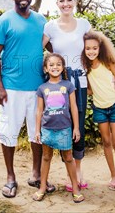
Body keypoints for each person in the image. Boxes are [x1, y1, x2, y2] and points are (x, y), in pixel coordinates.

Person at [0, 0, 56, 198]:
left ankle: (36, 175)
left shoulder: (40, 21)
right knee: (9, 131)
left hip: (38, 88)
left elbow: (51, 47)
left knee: (37, 132)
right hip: (12, 88)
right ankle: (10, 177)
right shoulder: (3, 21)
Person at [42, 0, 91, 191]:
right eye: (61, 0)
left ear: (75, 2)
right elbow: (39, 49)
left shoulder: (84, 24)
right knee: (62, 124)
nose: (65, 4)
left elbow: (94, 49)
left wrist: (107, 74)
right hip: (59, 84)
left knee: (79, 123)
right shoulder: (50, 27)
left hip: (80, 81)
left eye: (69, 0)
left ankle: (77, 172)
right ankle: (65, 173)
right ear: (57, 4)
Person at [81, 30, 115, 194]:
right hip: (99, 108)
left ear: (100, 48)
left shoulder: (108, 63)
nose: (91, 51)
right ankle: (113, 176)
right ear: (84, 49)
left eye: (94, 48)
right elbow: (90, 89)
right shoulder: (86, 67)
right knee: (106, 142)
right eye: (88, 48)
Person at [32, 53, 85, 203]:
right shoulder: (42, 88)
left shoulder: (68, 85)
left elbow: (74, 107)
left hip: (64, 129)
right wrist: (37, 130)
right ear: (46, 68)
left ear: (62, 67)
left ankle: (75, 188)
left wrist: (76, 128)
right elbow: (39, 111)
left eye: (58, 64)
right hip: (47, 129)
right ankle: (42, 187)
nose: (55, 67)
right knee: (46, 157)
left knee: (68, 158)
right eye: (51, 65)